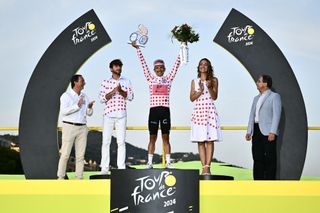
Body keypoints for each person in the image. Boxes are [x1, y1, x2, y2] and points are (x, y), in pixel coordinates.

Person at [131, 43, 181, 169]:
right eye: (157, 68)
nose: (159, 69)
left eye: (161, 67)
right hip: (153, 111)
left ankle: (168, 162)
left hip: (165, 110)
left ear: (164, 69)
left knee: (166, 137)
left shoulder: (168, 79)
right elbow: (143, 65)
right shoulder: (150, 78)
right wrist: (138, 50)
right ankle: (149, 162)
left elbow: (177, 64)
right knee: (152, 137)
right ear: (154, 70)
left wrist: (183, 45)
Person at [99, 59, 134, 174]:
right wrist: (114, 91)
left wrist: (121, 90)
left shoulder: (127, 81)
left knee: (121, 142)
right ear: (111, 69)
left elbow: (130, 97)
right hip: (108, 114)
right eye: (116, 66)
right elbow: (101, 98)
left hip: (121, 114)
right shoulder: (105, 82)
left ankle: (121, 168)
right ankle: (104, 168)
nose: (118, 68)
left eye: (119, 66)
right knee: (106, 142)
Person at [57, 74, 95, 180]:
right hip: (69, 126)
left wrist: (90, 108)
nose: (84, 83)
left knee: (80, 156)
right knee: (65, 154)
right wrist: (77, 106)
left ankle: (79, 178)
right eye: (82, 81)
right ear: (75, 82)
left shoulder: (85, 96)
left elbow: (89, 113)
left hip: (82, 128)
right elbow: (64, 112)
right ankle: (60, 177)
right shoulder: (66, 96)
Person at [245, 75, 282, 180]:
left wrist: (273, 132)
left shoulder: (275, 96)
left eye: (259, 81)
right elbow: (252, 115)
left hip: (268, 131)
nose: (257, 83)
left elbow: (276, 115)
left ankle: (270, 181)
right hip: (256, 130)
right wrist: (249, 131)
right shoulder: (255, 98)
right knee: (257, 157)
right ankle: (258, 180)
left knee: (270, 157)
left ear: (265, 84)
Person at [190, 58, 222, 175]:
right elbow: (192, 98)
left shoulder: (214, 80)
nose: (203, 66)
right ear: (198, 67)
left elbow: (214, 97)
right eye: (201, 64)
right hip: (199, 111)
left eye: (205, 64)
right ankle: (203, 166)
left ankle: (208, 167)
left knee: (210, 140)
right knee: (200, 141)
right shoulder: (194, 81)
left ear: (209, 67)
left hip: (209, 111)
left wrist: (208, 87)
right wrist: (200, 90)